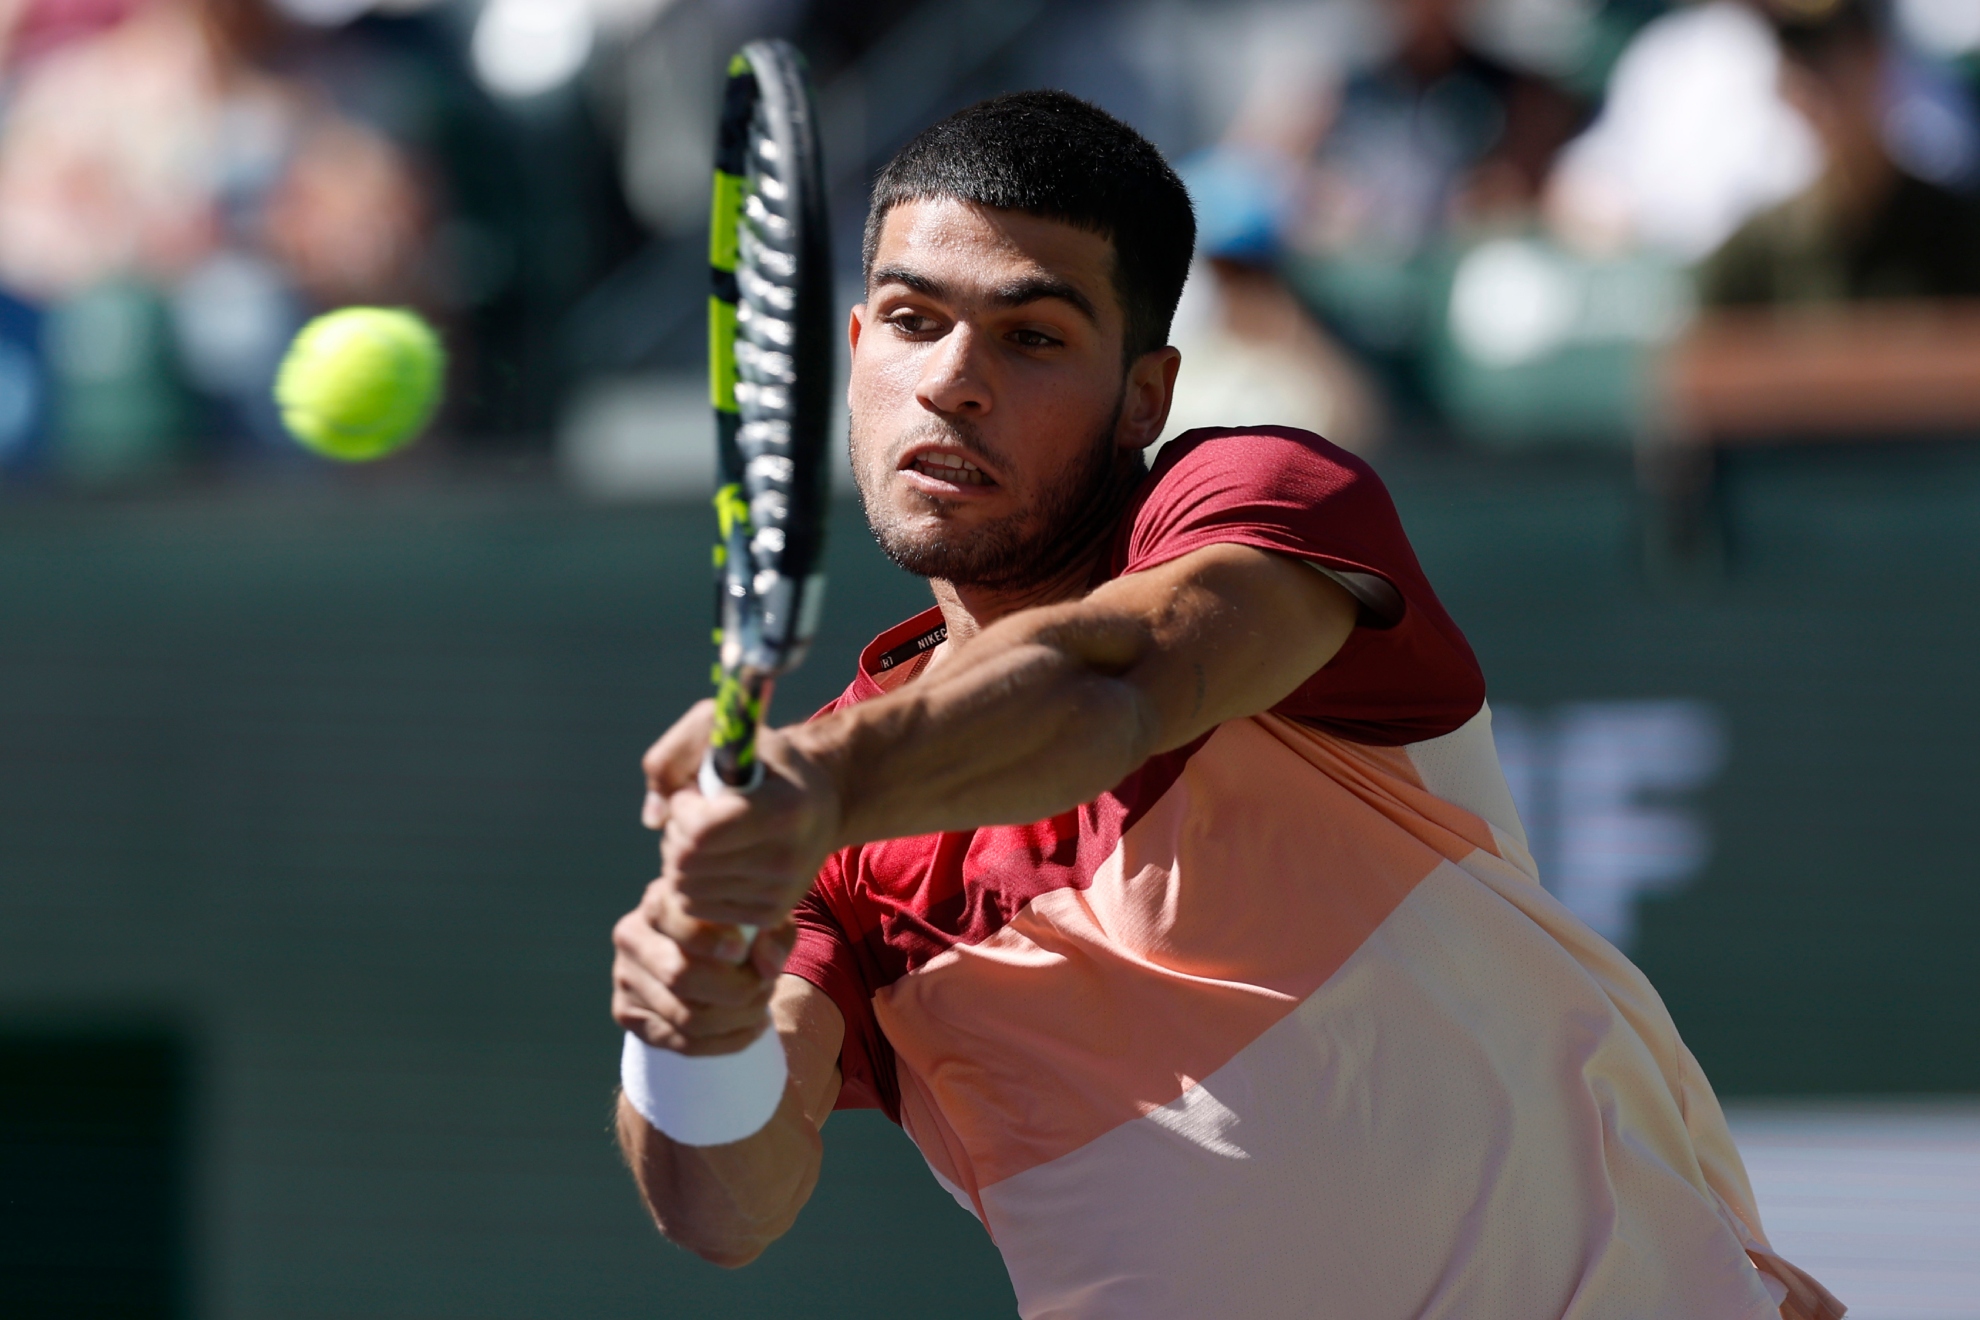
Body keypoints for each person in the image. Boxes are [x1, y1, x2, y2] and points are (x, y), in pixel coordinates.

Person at [609, 91, 1843, 1320]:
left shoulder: (1258, 503)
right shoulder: (840, 844)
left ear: (1146, 396)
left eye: (1032, 337)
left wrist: (828, 787)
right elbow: (725, 1208)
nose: (953, 381)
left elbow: (1117, 680)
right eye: (910, 321)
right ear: (855, 346)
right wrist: (694, 1027)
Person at [1701, 0, 1980, 306]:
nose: (1820, 83)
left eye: (1834, 56)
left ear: (1875, 58)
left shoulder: (1958, 235)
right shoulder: (1753, 256)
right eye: (1803, 62)